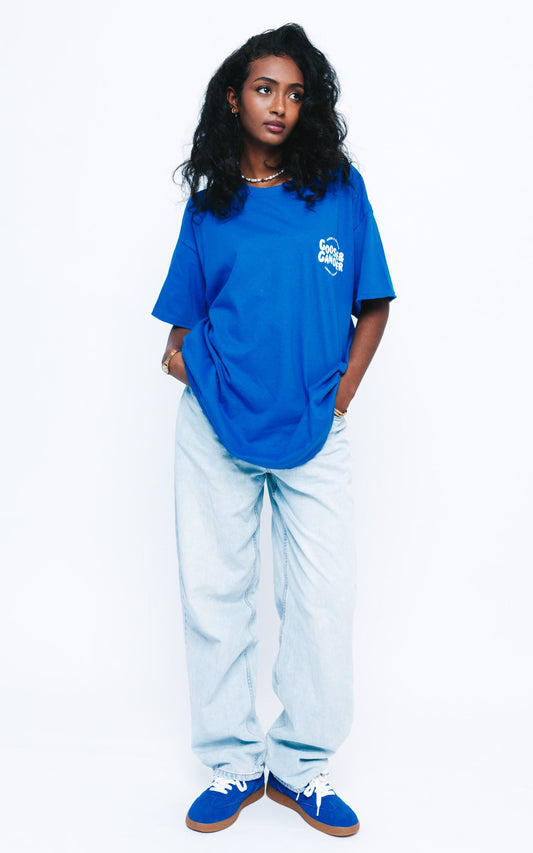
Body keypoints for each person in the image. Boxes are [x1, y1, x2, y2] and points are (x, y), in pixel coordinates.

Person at [152, 23, 395, 837]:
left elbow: (374, 303)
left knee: (322, 600)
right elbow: (177, 335)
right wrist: (195, 372)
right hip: (215, 431)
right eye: (264, 89)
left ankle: (299, 765)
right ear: (234, 98)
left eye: (294, 92)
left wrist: (341, 395)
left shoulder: (339, 190)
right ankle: (231, 761)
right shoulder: (209, 206)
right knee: (213, 597)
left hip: (314, 428)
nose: (279, 105)